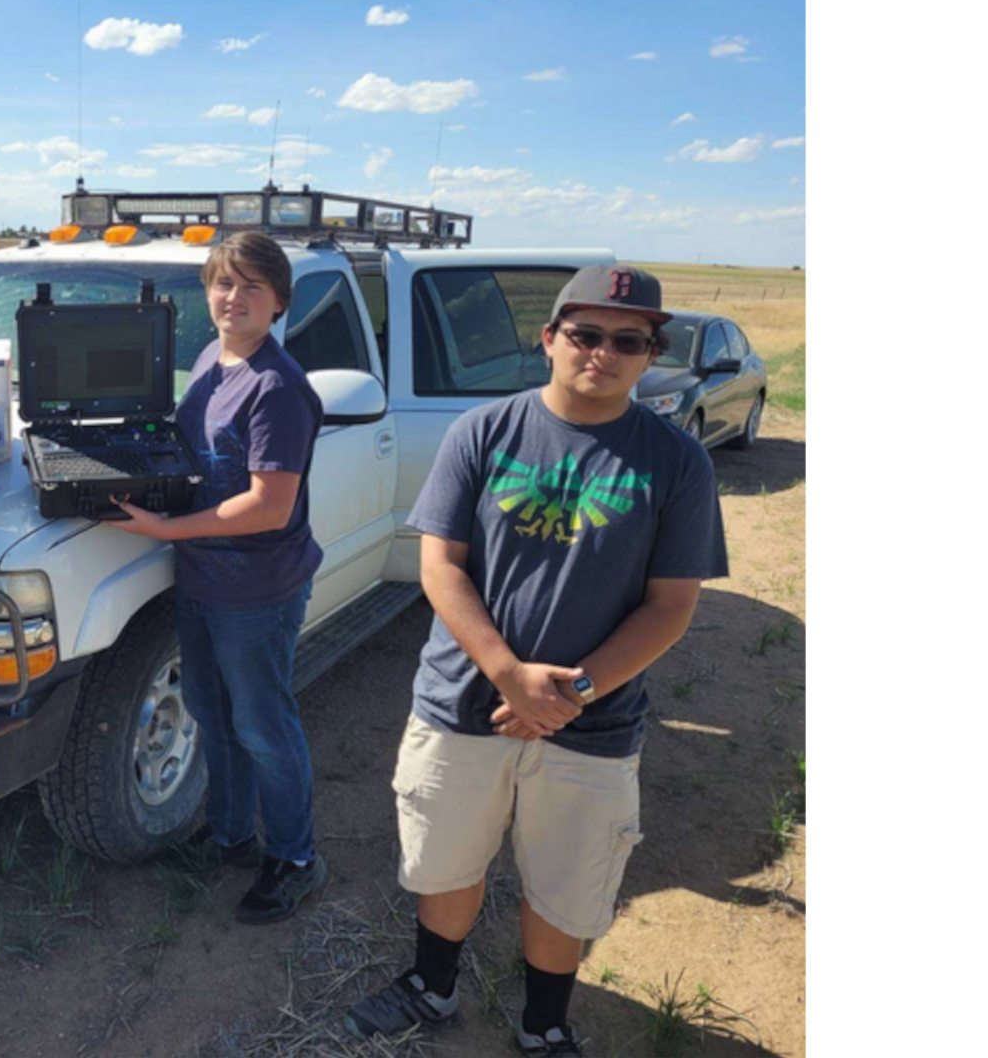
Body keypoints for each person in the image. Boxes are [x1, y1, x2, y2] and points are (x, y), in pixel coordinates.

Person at [343, 264, 728, 1057]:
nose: (603, 352)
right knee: (445, 858)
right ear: (549, 339)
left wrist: (572, 691)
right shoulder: (482, 431)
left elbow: (670, 606)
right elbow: (440, 565)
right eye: (586, 334)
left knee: (567, 883)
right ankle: (431, 985)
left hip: (593, 719)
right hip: (463, 701)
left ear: (650, 355)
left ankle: (545, 1022)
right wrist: (508, 675)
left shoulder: (677, 461)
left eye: (629, 341)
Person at [111, 231, 327, 924]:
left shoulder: (277, 388)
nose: (234, 297)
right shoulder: (211, 359)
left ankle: (296, 858)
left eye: (252, 286)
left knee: (263, 727)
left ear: (279, 302)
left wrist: (166, 529)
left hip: (257, 590)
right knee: (212, 715)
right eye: (223, 283)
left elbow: (269, 506)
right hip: (204, 579)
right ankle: (232, 834)